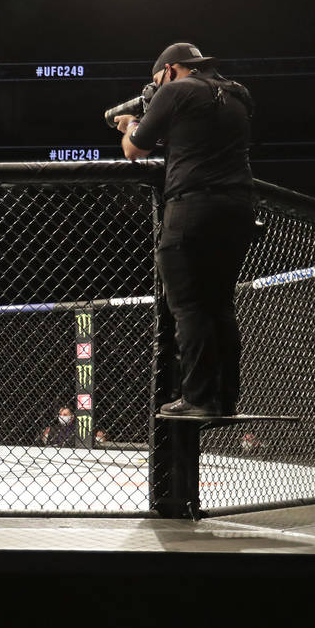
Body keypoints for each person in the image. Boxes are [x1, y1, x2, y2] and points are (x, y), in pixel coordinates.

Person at [115, 42, 255, 418]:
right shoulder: (236, 94)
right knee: (220, 305)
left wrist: (130, 124)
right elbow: (197, 135)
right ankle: (225, 399)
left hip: (193, 208)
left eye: (156, 78)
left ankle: (196, 399)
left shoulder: (176, 90)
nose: (155, 86)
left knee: (190, 307)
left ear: (172, 69)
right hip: (239, 208)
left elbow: (135, 150)